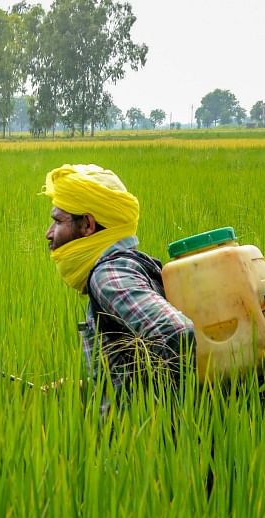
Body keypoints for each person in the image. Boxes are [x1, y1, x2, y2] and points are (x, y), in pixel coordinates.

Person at [41, 164, 194, 413]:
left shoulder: (108, 275)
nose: (49, 234)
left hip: (142, 444)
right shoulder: (134, 264)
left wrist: (163, 419)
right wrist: (84, 388)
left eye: (58, 221)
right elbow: (133, 368)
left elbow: (176, 334)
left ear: (88, 225)